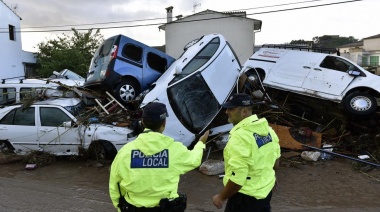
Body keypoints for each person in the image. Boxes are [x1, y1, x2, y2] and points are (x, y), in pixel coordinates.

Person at [109, 102, 209, 212]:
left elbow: (115, 184)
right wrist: (200, 144)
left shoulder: (125, 152)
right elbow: (194, 160)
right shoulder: (174, 149)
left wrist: (119, 207)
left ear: (142, 122)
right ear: (164, 123)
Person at [212, 93, 281, 212]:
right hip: (265, 193)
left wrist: (221, 197)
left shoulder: (240, 138)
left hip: (244, 198)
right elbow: (275, 162)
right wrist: (270, 177)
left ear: (244, 111)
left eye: (231, 109)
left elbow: (238, 179)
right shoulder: (268, 131)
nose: (227, 112)